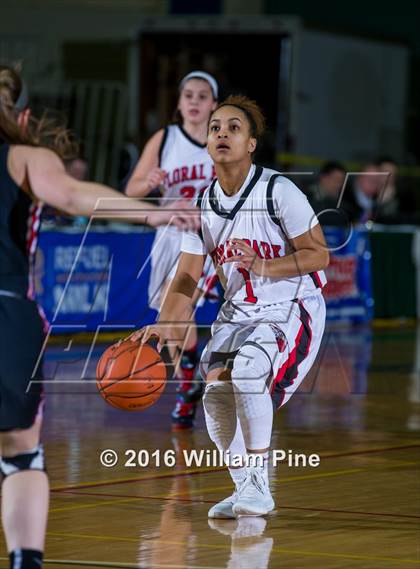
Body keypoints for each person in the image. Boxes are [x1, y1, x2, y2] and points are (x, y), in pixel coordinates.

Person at [0, 64, 199, 569]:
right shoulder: (25, 157)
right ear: (21, 116)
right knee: (20, 454)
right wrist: (151, 212)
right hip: (5, 311)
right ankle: (26, 561)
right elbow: (71, 195)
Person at [130, 95, 329, 518]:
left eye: (234, 128)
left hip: (292, 304)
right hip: (240, 310)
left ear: (252, 143)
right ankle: (246, 488)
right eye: (216, 128)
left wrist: (262, 264)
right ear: (206, 143)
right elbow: (186, 276)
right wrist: (163, 326)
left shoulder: (279, 189)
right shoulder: (204, 202)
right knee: (216, 389)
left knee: (250, 370)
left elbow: (319, 255)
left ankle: (260, 484)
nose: (222, 133)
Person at [126, 71, 219, 430]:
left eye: (202, 96)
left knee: (175, 300)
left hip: (208, 237)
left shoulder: (221, 139)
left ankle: (190, 379)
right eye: (188, 95)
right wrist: (147, 183)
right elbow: (132, 190)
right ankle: (189, 380)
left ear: (213, 104)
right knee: (175, 313)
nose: (195, 101)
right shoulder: (165, 138)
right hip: (168, 234)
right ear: (179, 103)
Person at [308, 161, 348, 226]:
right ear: (323, 178)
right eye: (336, 180)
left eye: (342, 181)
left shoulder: (342, 204)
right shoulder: (307, 200)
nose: (339, 185)